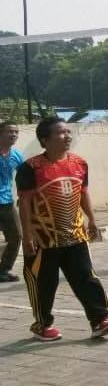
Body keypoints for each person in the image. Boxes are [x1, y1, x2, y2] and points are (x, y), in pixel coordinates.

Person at [17, 117, 108, 341]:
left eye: (68, 132)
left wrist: (91, 219)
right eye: (61, 133)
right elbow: (24, 203)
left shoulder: (80, 163)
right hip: (43, 238)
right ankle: (42, 325)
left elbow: (83, 193)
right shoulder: (30, 168)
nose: (67, 136)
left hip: (75, 234)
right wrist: (28, 235)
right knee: (44, 283)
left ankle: (100, 320)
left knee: (86, 277)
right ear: (45, 140)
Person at [0, 121, 25, 282]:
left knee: (16, 236)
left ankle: (3, 270)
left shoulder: (16, 155)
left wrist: (23, 196)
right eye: (10, 131)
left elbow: (24, 177)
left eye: (16, 132)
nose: (13, 135)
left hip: (7, 203)